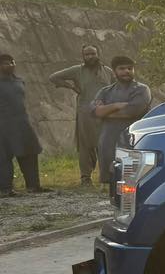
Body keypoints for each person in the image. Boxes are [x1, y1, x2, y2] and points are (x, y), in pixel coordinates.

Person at [48, 44, 113, 185]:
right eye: (87, 54)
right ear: (83, 56)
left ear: (98, 54)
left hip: (104, 113)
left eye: (93, 53)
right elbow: (53, 77)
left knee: (104, 145)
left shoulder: (108, 71)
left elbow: (115, 88)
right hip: (85, 113)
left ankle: (106, 178)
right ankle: (85, 178)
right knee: (86, 145)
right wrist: (71, 86)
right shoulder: (77, 70)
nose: (90, 56)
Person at [91, 56, 152, 186]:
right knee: (112, 181)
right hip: (108, 141)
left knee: (132, 182)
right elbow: (96, 112)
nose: (126, 71)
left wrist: (105, 112)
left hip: (133, 141)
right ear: (114, 71)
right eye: (122, 68)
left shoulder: (141, 89)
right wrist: (117, 105)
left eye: (130, 68)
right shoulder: (105, 91)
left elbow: (133, 112)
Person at [0, 52, 52, 197]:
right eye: (5, 63)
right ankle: (5, 189)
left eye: (11, 62)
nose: (9, 65)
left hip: (22, 122)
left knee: (30, 153)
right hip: (3, 125)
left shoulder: (19, 81)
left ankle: (33, 186)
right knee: (3, 158)